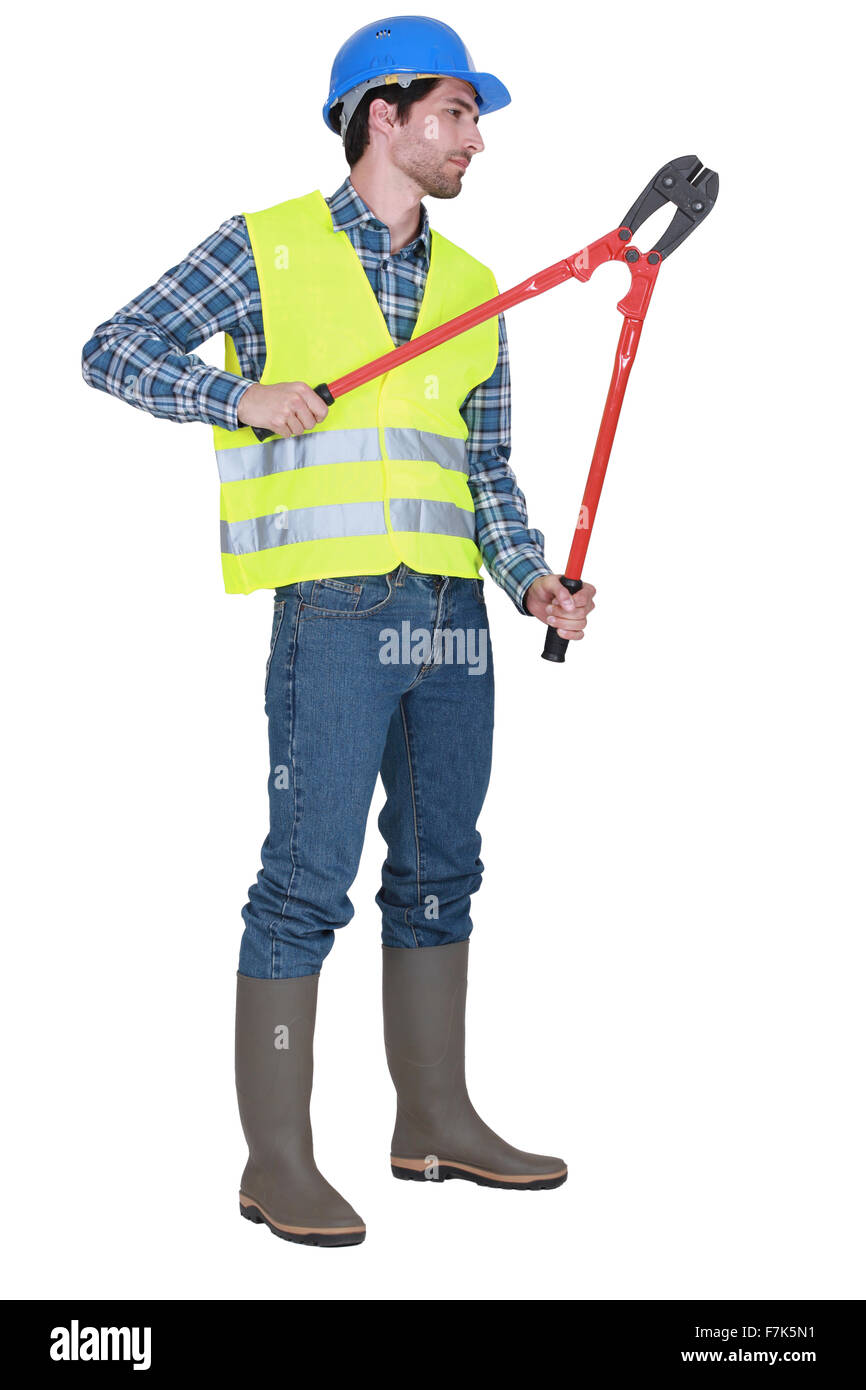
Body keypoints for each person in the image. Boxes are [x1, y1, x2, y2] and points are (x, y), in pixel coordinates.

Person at [82, 14, 596, 1248]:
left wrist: (530, 582)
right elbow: (110, 348)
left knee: (440, 873)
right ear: (385, 115)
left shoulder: (477, 286)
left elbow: (484, 468)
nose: (477, 138)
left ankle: (433, 1119)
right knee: (304, 885)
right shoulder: (265, 248)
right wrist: (233, 393)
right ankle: (277, 1162)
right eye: (459, 113)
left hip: (450, 616)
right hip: (334, 610)